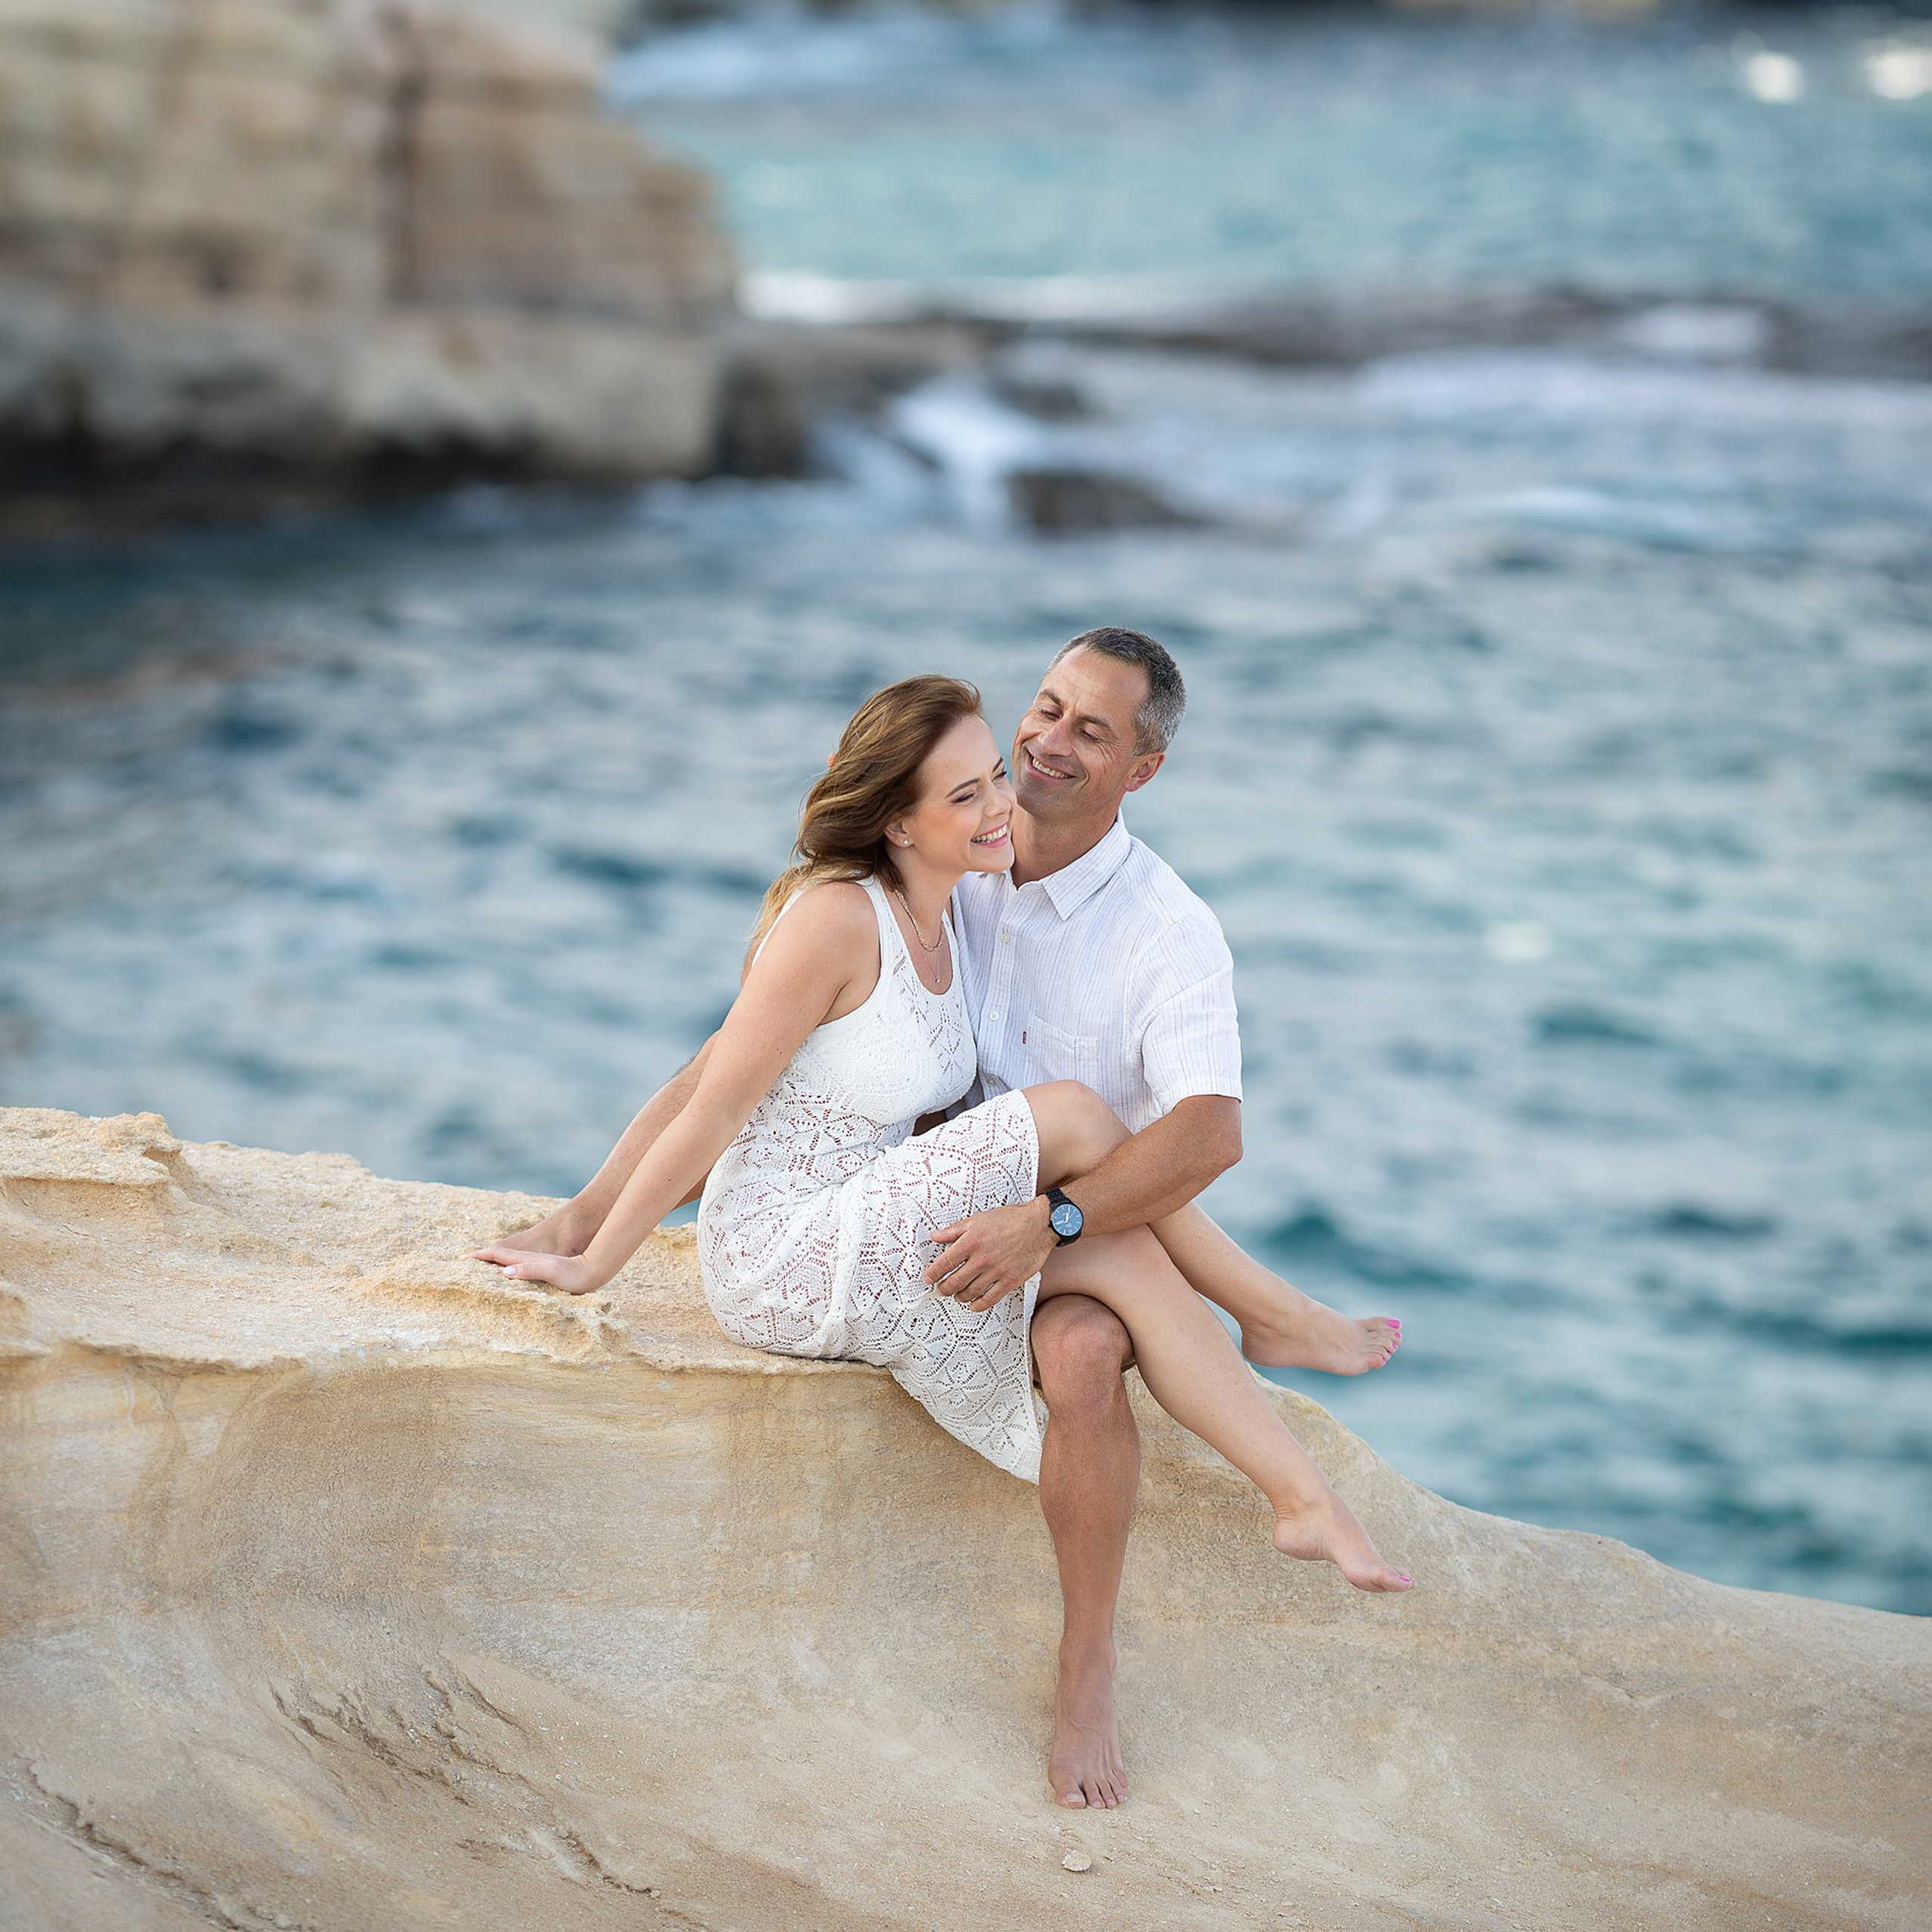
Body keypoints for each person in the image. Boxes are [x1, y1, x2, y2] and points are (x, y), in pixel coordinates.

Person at [466, 654, 1410, 1812]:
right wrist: (591, 1232)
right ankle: (1273, 1335)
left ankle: (1183, 1589)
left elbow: (1211, 1133)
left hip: (1010, 1218)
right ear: (909, 822)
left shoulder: (1146, 925)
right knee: (1077, 1121)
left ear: (1144, 768)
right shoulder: (899, 895)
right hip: (839, 1236)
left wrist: (1048, 1218)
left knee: (1093, 1295)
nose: (1028, 772)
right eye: (1032, 728)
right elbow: (720, 1081)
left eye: (1085, 737)